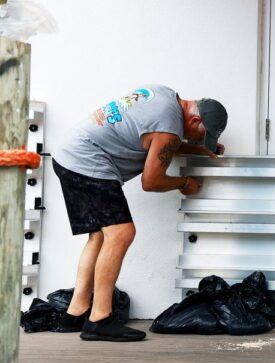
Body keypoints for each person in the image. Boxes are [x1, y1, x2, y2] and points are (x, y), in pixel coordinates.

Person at [51, 85, 227, 341]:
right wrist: (184, 183)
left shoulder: (163, 96)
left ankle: (75, 313)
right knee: (122, 233)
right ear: (195, 119)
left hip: (69, 154)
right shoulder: (170, 127)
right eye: (201, 135)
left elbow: (158, 140)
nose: (198, 140)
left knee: (99, 236)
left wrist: (200, 150)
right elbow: (151, 181)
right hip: (88, 161)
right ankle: (99, 319)